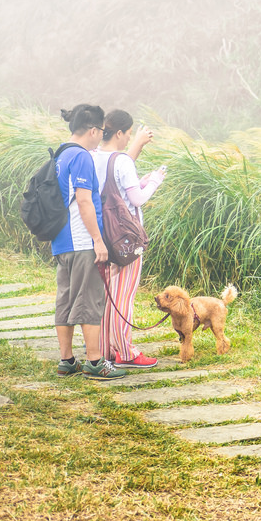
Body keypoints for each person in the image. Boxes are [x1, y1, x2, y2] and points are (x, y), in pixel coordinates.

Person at [53, 104, 127, 380]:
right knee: (89, 300)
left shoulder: (59, 154)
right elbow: (84, 200)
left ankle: (67, 360)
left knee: (65, 299)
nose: (101, 137)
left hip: (61, 240)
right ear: (93, 130)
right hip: (82, 239)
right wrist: (98, 240)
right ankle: (95, 362)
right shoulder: (81, 157)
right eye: (101, 132)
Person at [93, 109, 166, 368]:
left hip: (102, 236)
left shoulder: (93, 156)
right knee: (123, 296)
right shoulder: (121, 160)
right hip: (126, 239)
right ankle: (126, 351)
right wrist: (155, 181)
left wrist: (139, 180)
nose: (129, 139)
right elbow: (136, 200)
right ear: (120, 132)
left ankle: (106, 350)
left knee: (108, 294)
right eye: (129, 134)